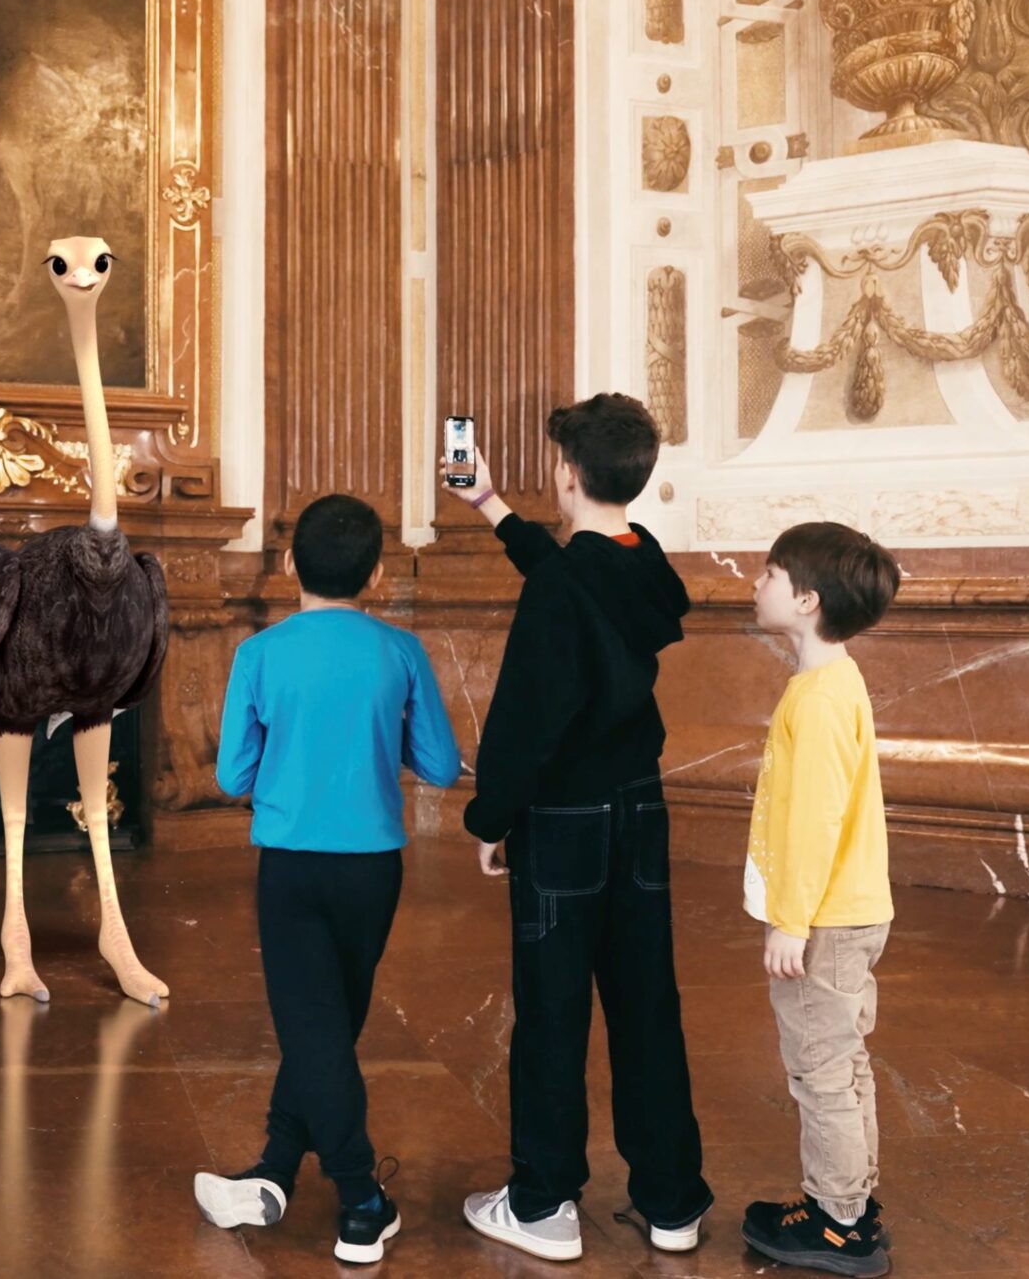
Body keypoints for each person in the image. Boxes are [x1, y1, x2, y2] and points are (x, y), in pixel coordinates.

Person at [440, 396, 713, 1262]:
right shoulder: (646, 561)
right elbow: (574, 575)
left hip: (563, 826)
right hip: (641, 812)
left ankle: (543, 1201)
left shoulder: (565, 587)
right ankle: (671, 1201)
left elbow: (526, 719)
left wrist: (491, 816)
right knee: (647, 1005)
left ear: (565, 472)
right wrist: (490, 507)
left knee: (553, 1012)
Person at [194, 493, 462, 1265]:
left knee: (317, 1028)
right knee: (328, 1026)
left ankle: (361, 1198)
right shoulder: (402, 650)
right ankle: (276, 1168)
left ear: (287, 566)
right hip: (374, 868)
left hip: (290, 865)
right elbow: (441, 766)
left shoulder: (259, 653)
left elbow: (233, 770)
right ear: (376, 572)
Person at [738, 521, 901, 1278]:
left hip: (826, 917)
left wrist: (789, 921)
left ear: (804, 599)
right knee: (842, 1061)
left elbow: (814, 818)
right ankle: (847, 1200)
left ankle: (840, 1224)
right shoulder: (831, 681)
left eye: (769, 573)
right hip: (845, 907)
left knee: (821, 1067)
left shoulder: (822, 697)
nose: (755, 582)